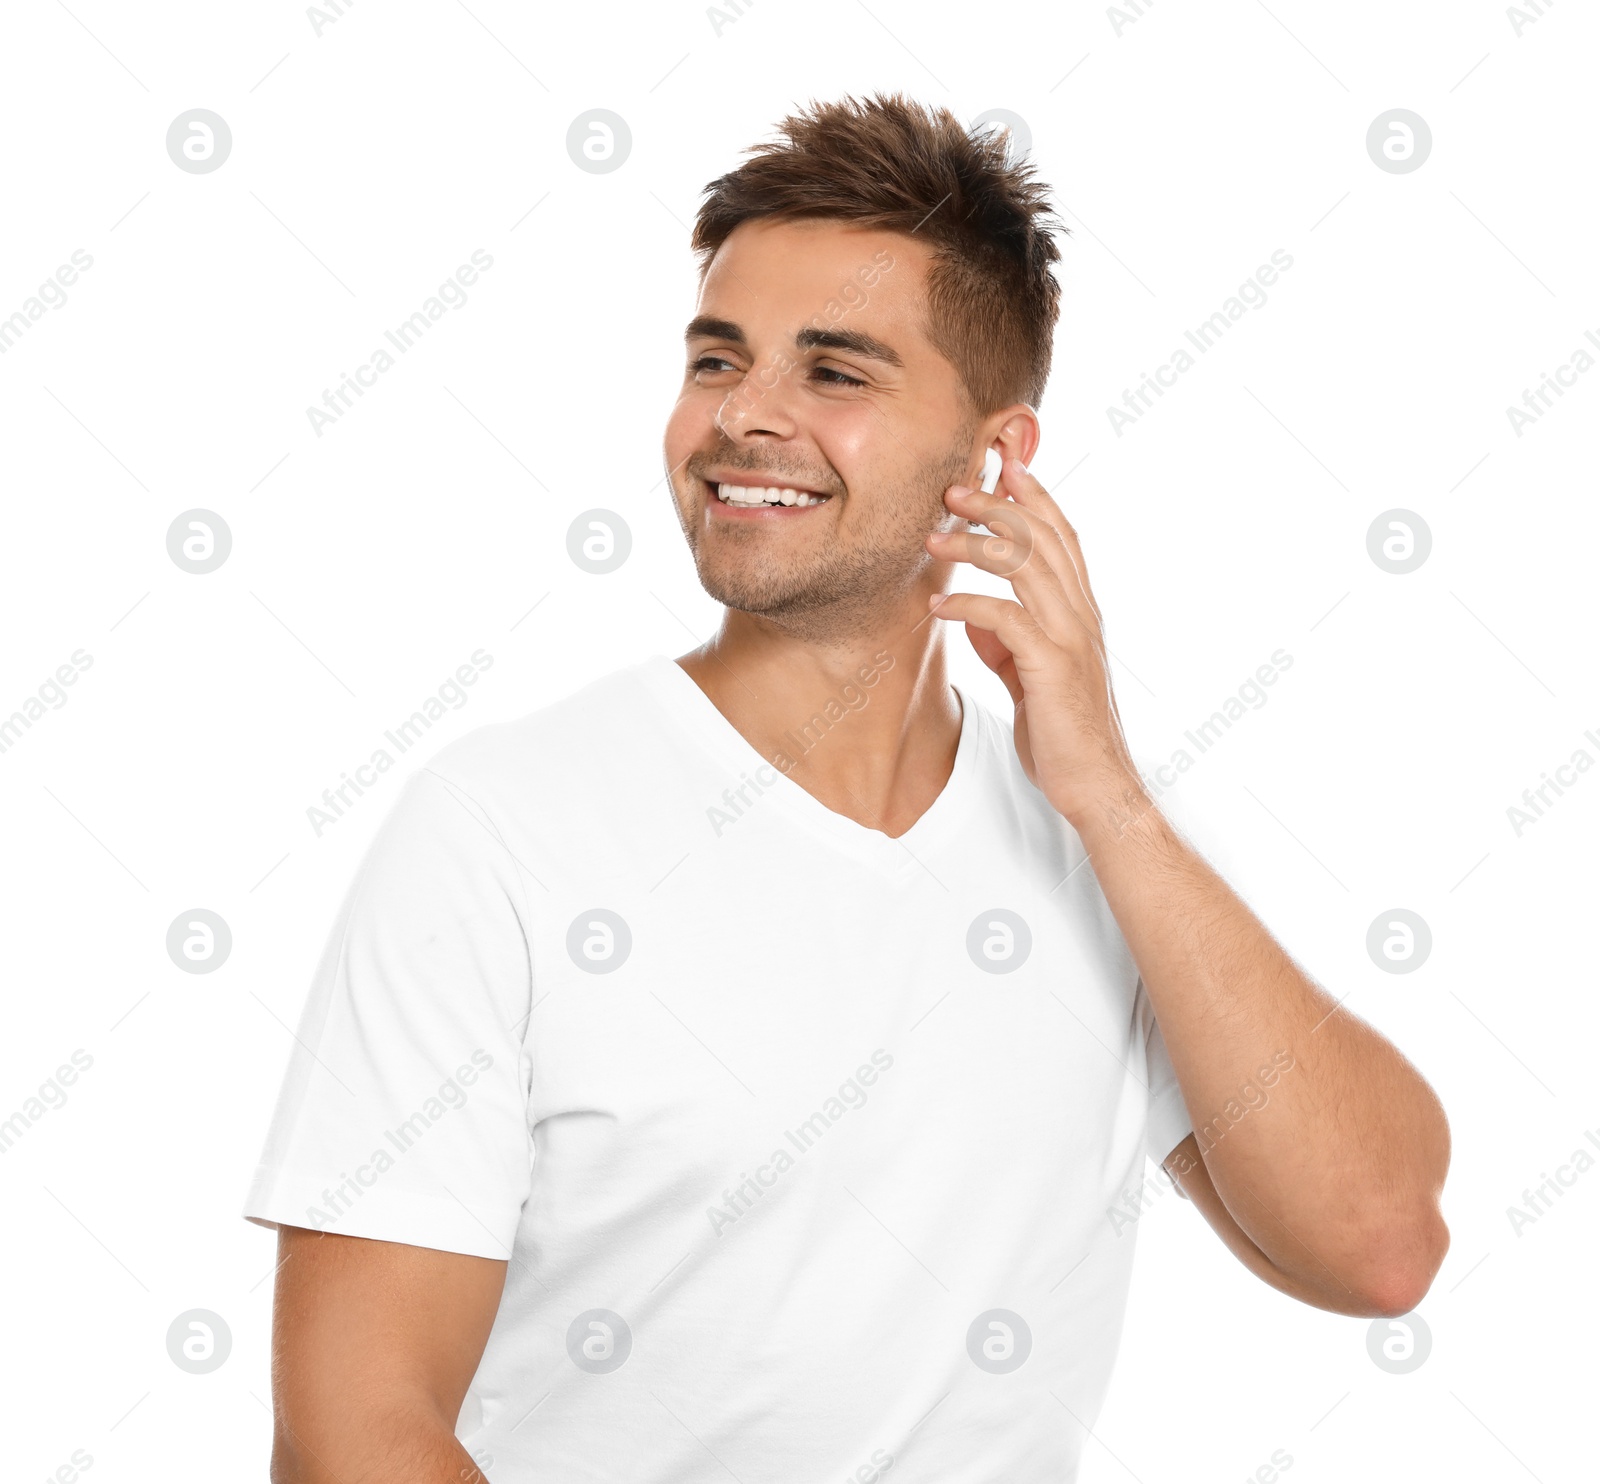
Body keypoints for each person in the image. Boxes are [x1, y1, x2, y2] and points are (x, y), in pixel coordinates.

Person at [245, 93, 1450, 1484]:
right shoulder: (499, 836)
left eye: (835, 372)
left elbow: (1377, 1243)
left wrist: (1110, 799)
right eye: (717, 358)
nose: (744, 418)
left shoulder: (1109, 847)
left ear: (993, 461)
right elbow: (355, 1435)